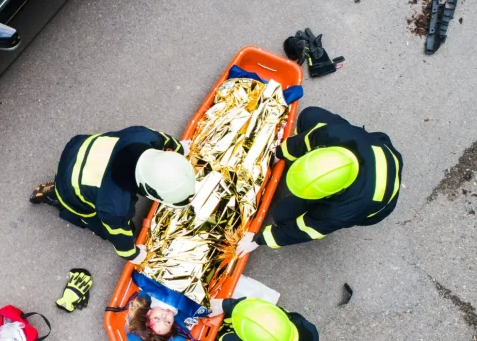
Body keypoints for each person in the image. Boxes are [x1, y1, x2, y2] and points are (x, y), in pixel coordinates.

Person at [236, 107, 402, 256]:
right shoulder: (333, 134)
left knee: (283, 214)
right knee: (310, 116)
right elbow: (306, 140)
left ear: (334, 192)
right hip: (375, 149)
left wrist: (259, 239)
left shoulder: (343, 210)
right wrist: (278, 154)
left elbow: (307, 229)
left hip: (377, 206)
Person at [31, 126, 195, 264]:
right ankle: (55, 196)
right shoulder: (114, 207)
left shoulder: (146, 137)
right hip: (70, 187)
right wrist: (133, 254)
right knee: (101, 224)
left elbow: (165, 140)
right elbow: (119, 235)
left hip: (79, 148)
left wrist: (180, 149)